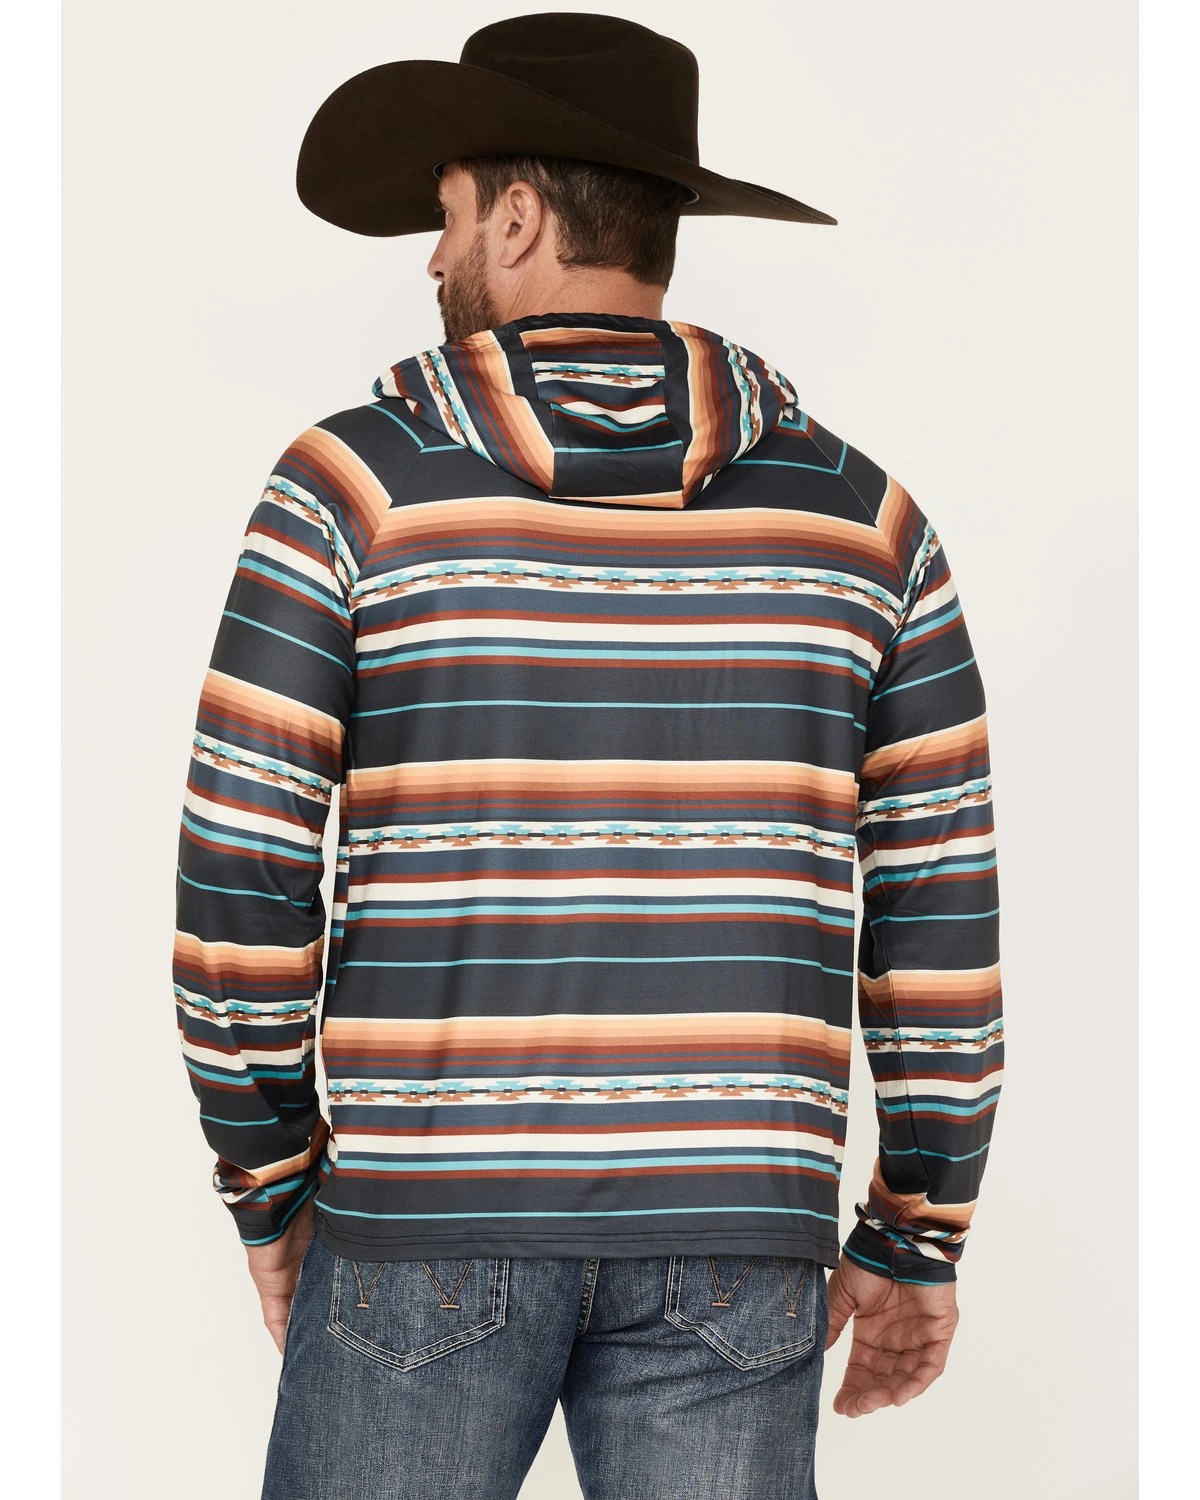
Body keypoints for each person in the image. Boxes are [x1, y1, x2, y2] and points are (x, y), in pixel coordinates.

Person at [171, 14, 1004, 1499]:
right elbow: (938, 912)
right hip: (738, 1232)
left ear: (517, 217)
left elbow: (241, 875)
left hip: (422, 1221)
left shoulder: (352, 493)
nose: (434, 259)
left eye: (445, 215)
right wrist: (916, 1232)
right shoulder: (866, 524)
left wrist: (275, 1184)